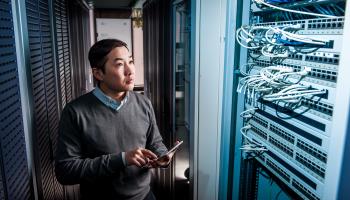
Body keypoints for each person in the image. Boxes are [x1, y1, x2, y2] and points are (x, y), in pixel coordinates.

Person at [55, 39, 172, 200]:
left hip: (145, 196)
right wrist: (122, 159)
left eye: (130, 61)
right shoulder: (75, 112)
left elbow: (155, 142)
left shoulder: (143, 103)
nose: (130, 70)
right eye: (119, 64)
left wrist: (163, 156)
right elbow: (65, 171)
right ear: (98, 73)